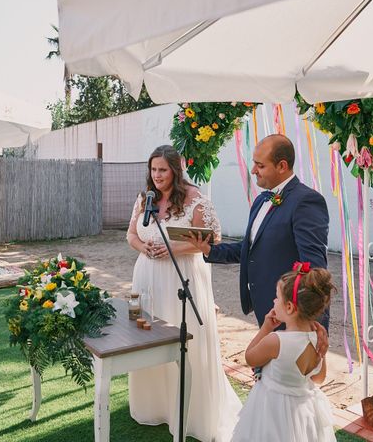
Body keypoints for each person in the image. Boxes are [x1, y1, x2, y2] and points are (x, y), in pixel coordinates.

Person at [127, 145, 242, 442]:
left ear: (175, 171)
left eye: (162, 170)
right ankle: (156, 403)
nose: (157, 175)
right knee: (149, 338)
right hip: (147, 277)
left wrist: (173, 249)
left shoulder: (195, 199)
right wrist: (145, 247)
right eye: (153, 170)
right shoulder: (145, 199)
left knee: (185, 340)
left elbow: (211, 239)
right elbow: (131, 235)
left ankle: (192, 410)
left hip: (184, 277)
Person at [189, 134, 330, 331]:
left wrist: (314, 325)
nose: (253, 170)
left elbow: (315, 267)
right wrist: (210, 250)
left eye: (260, 165)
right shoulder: (261, 200)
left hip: (293, 315)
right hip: (267, 308)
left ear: (282, 166)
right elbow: (250, 248)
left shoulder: (306, 201)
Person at [232, 265, 337, 442]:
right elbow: (318, 378)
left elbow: (250, 358)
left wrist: (265, 328)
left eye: (277, 297)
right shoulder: (317, 338)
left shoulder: (276, 341)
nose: (273, 301)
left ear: (289, 307)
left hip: (273, 410)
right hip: (304, 412)